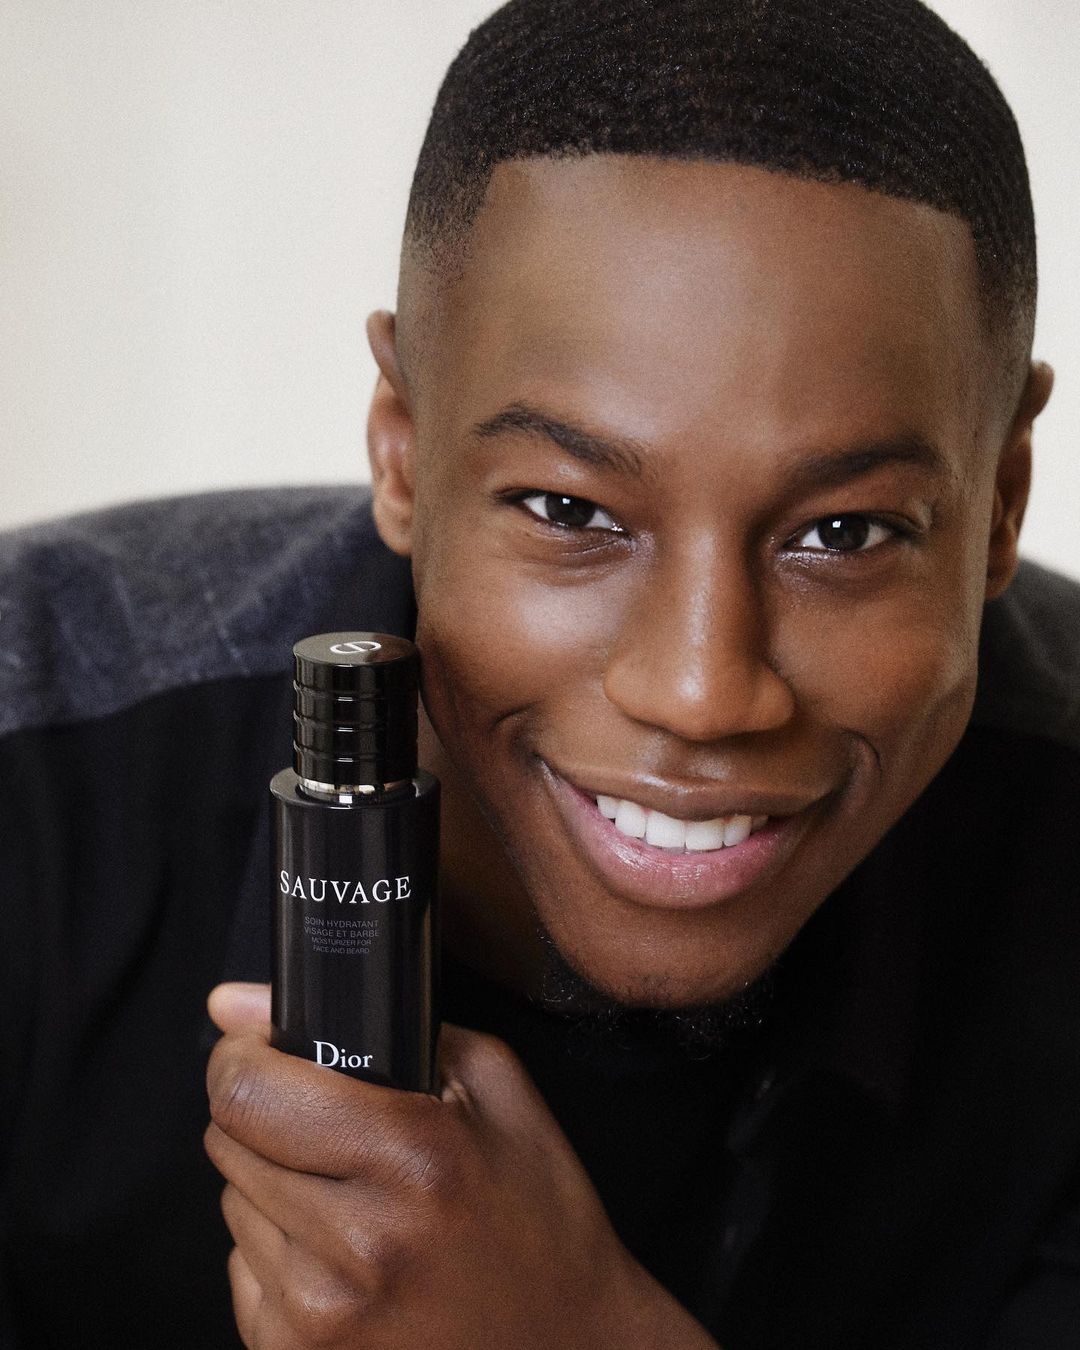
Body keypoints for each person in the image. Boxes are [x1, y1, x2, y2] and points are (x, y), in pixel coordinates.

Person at [2, 0, 1079, 1345]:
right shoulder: (33, 791)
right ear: (402, 449)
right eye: (571, 512)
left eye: (843, 533)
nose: (701, 691)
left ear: (1001, 501)